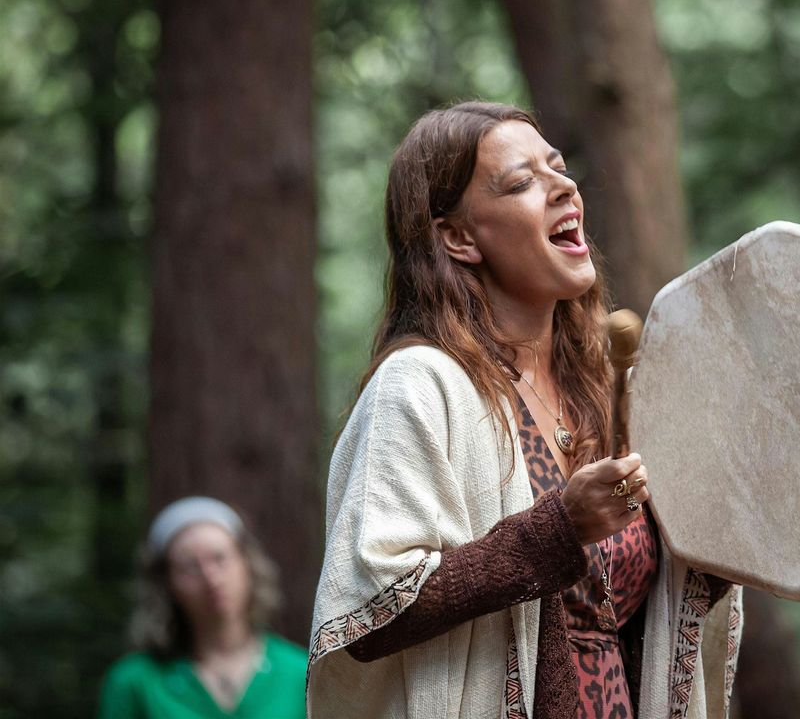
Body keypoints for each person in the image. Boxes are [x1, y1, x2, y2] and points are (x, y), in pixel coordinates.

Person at [308, 102, 742, 719]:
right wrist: (558, 530)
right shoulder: (418, 386)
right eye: (521, 183)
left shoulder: (606, 389)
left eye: (558, 169)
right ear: (458, 238)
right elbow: (370, 607)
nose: (564, 187)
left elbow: (655, 611)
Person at [98, 496, 307, 719]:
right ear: (167, 584)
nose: (211, 578)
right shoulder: (134, 682)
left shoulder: (301, 672)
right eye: (190, 567)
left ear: (247, 564)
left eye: (220, 558)